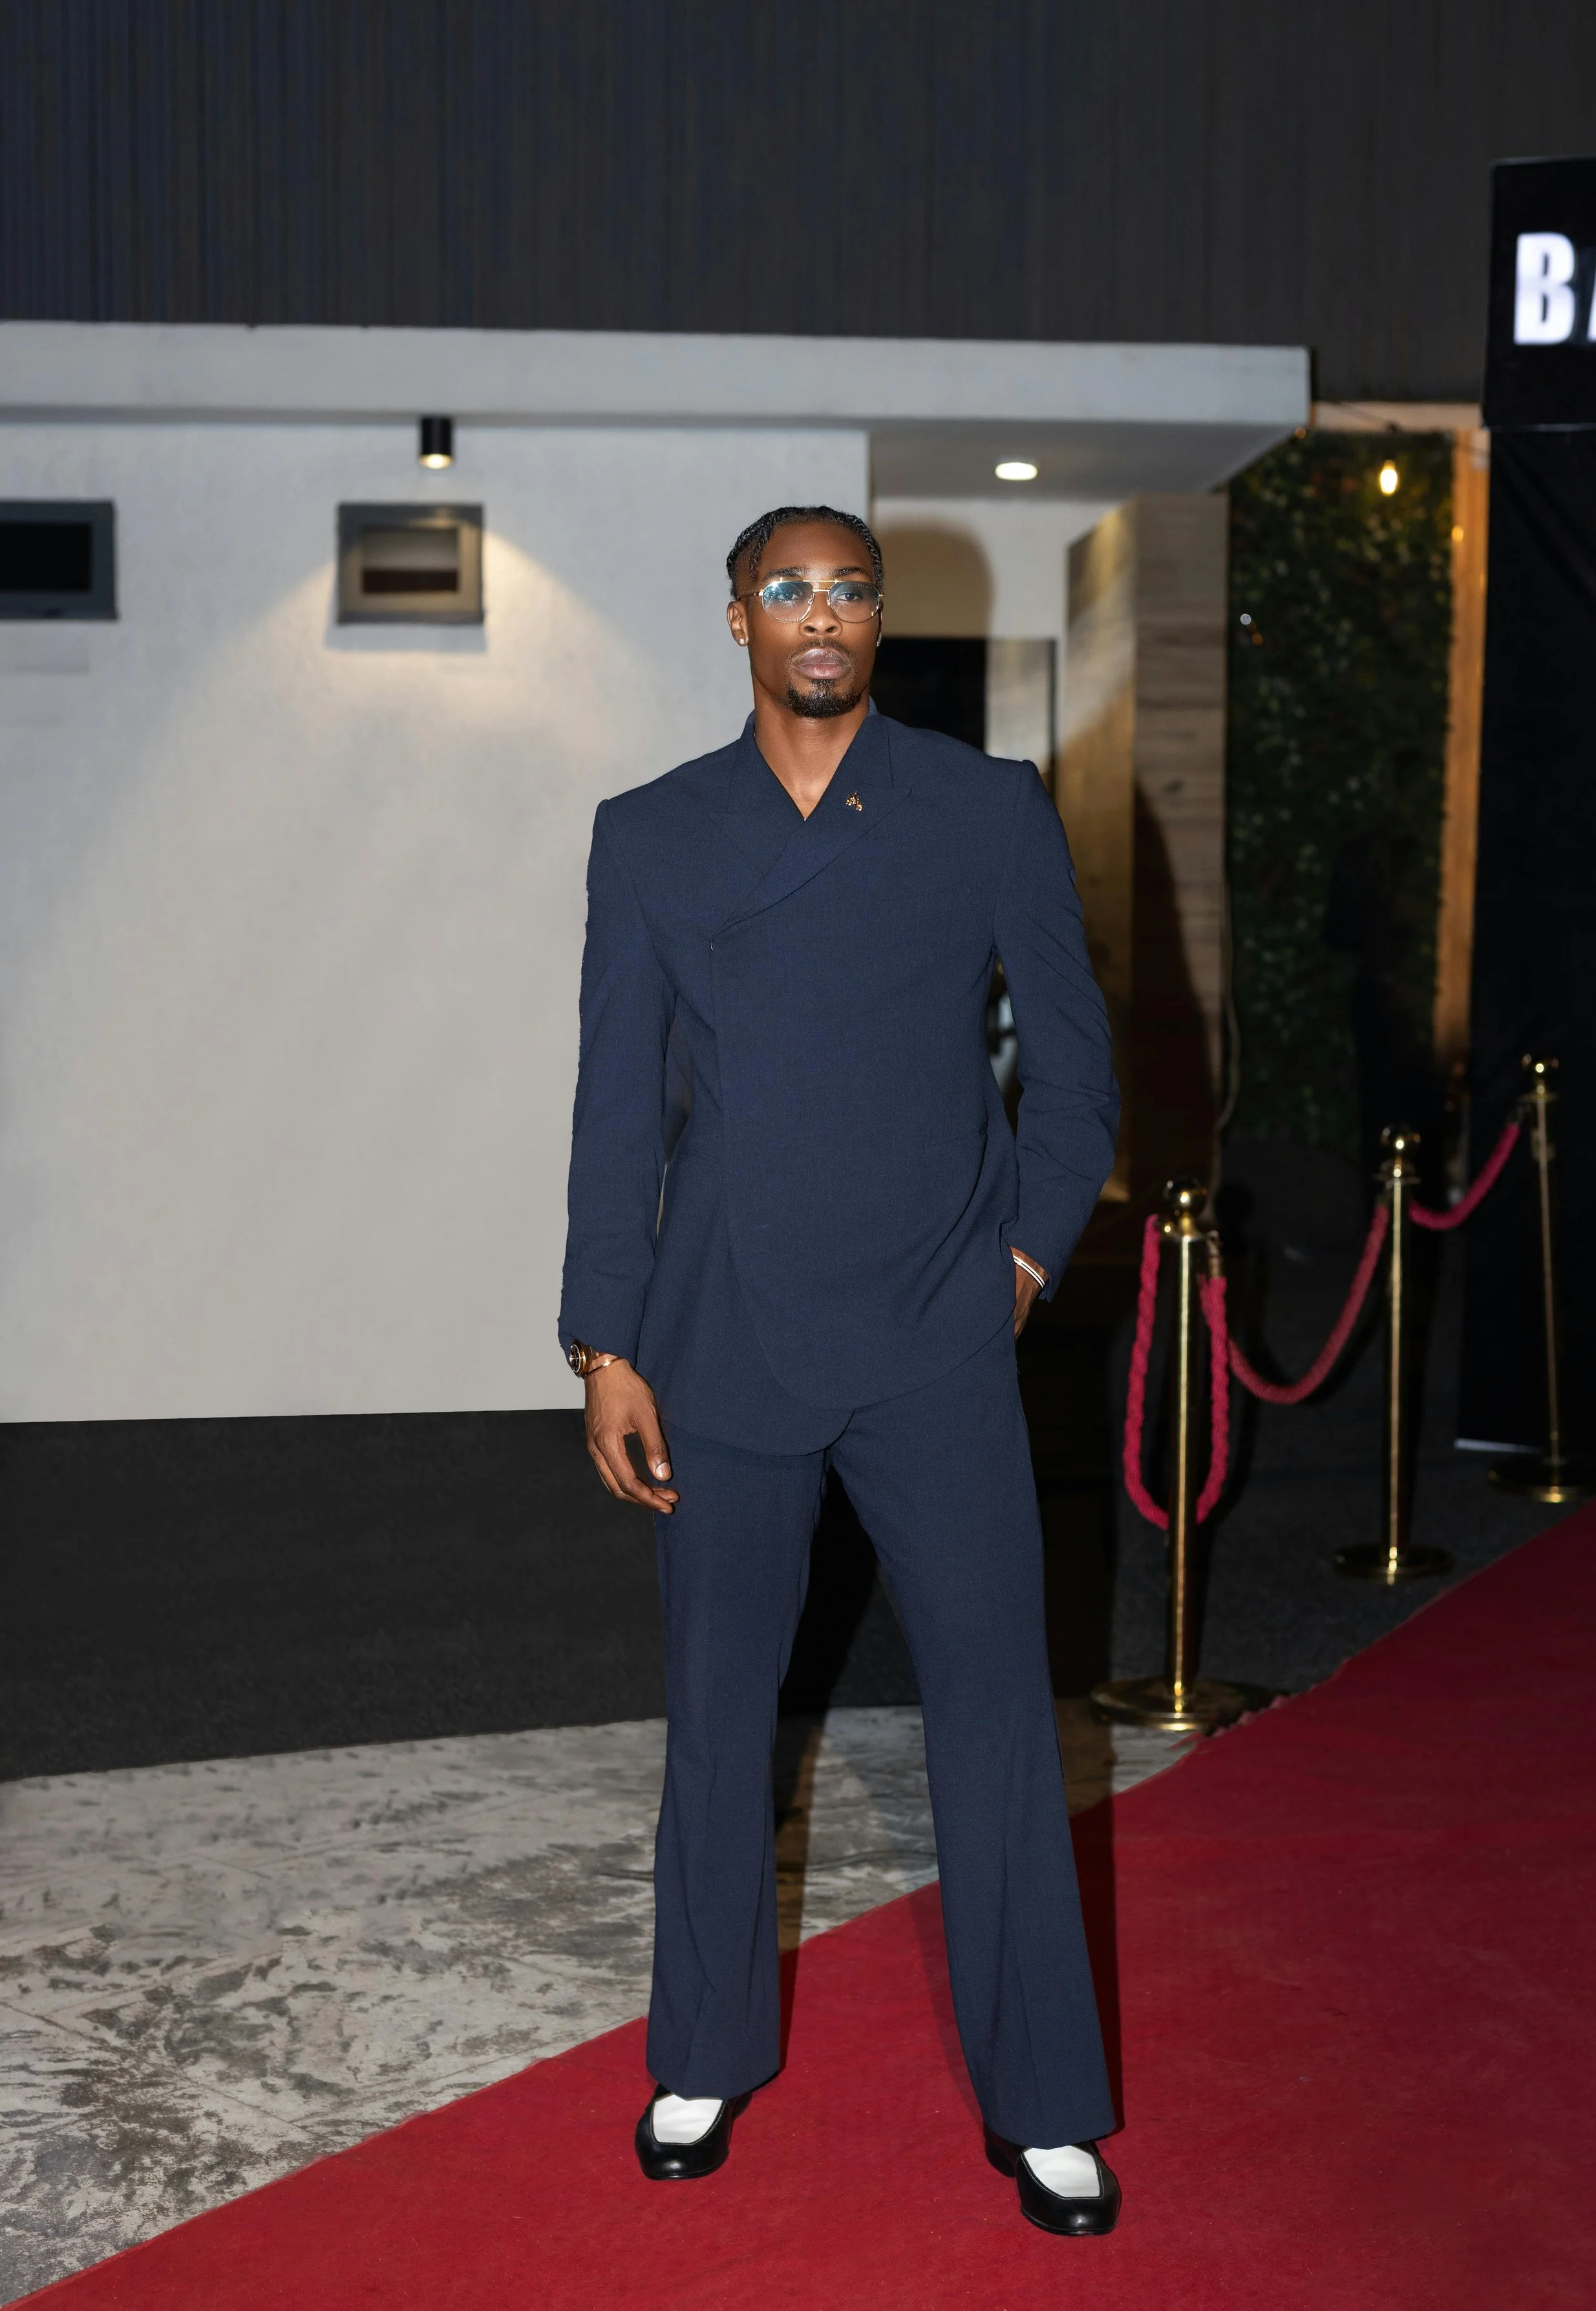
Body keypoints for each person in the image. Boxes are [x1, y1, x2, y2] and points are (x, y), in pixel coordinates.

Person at [559, 505, 1122, 2237]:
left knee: (994, 1723)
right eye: (787, 590)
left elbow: (1079, 1076)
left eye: (849, 590)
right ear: (735, 618)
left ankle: (1043, 2100)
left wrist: (1018, 1264)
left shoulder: (980, 808)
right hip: (720, 1342)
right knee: (722, 1716)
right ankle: (704, 2045)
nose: (821, 615)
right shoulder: (651, 832)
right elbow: (611, 1109)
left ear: (879, 621)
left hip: (934, 1342)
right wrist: (603, 1339)